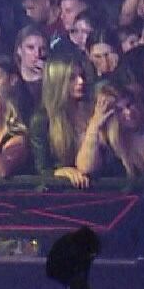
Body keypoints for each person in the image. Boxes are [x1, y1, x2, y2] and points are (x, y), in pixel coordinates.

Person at [30, 52, 94, 188]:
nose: (81, 81)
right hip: (62, 192)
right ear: (57, 81)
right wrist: (60, 172)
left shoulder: (91, 110)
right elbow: (41, 168)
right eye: (72, 78)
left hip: (97, 185)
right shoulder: (42, 119)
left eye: (81, 75)